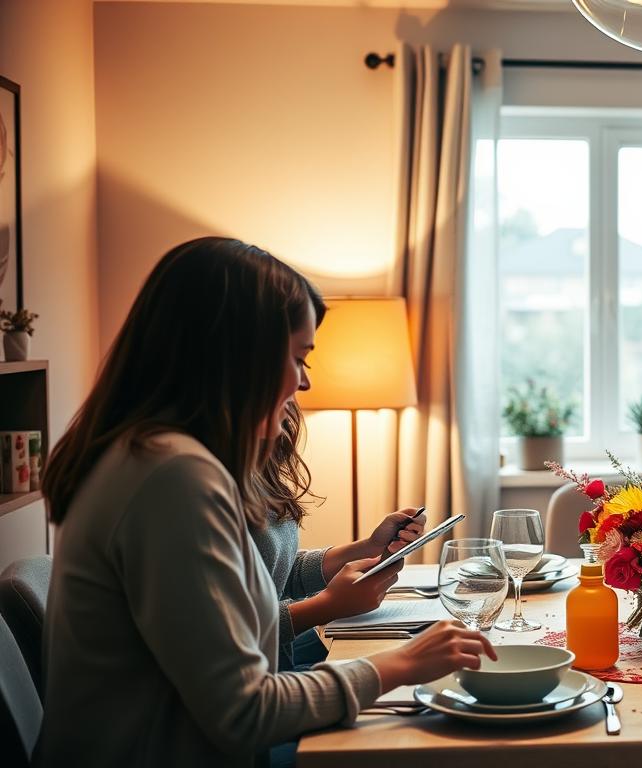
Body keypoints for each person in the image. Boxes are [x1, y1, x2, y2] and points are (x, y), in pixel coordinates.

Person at [39, 237, 495, 767]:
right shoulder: (173, 477)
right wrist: (400, 664)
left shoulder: (159, 457)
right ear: (238, 355)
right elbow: (245, 712)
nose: (304, 380)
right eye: (299, 357)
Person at [255, 400, 426, 672]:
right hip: (263, 669)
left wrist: (369, 546)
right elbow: (222, 631)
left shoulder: (255, 468)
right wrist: (327, 606)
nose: (305, 385)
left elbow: (271, 572)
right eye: (299, 363)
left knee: (417, 640)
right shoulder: (201, 484)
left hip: (277, 652)